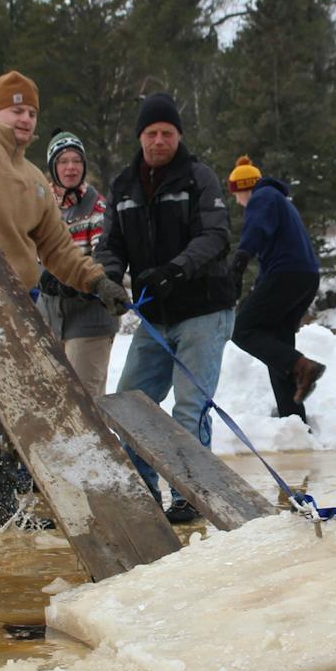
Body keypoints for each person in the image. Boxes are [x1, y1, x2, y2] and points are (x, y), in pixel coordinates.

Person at [0, 71, 130, 531]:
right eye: (16, 110)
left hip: (17, 301)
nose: (25, 119)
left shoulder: (36, 180)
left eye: (32, 112)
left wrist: (97, 282)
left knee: (21, 400)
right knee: (20, 393)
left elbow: (57, 248)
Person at [99, 93, 236, 524]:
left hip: (203, 309)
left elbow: (216, 236)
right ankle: (144, 490)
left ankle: (189, 493)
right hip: (155, 315)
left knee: (189, 407)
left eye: (167, 133)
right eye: (152, 133)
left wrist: (175, 270)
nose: (159, 140)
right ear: (140, 137)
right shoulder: (123, 186)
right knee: (130, 401)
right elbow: (110, 245)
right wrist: (106, 278)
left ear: (178, 136)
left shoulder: (199, 178)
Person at [226, 155, 325, 422]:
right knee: (277, 343)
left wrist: (240, 259)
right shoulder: (281, 202)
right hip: (303, 277)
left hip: (287, 275)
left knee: (242, 329)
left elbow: (255, 228)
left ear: (243, 188)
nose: (238, 202)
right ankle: (292, 418)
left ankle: (302, 367)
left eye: (237, 195)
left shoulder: (263, 196)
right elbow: (276, 250)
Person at [35, 130, 119, 399]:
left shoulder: (97, 208)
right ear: (52, 167)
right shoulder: (41, 206)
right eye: (63, 161)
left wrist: (73, 281)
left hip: (89, 316)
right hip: (49, 314)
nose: (70, 167)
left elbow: (104, 258)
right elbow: (27, 251)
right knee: (51, 399)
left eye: (76, 161)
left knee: (84, 402)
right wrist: (41, 275)